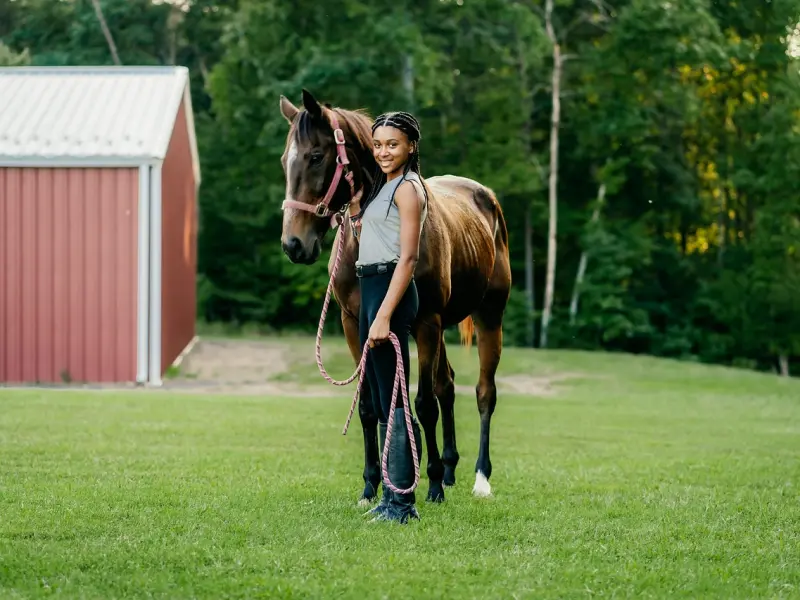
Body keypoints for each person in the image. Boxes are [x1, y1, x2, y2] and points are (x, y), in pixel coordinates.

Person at [348, 111, 428, 524]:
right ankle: (390, 497)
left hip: (389, 292)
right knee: (382, 399)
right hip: (371, 287)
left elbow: (409, 257)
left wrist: (383, 315)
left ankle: (403, 504)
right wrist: (357, 213)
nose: (383, 152)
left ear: (410, 147)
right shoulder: (386, 186)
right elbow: (375, 238)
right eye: (378, 144)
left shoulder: (409, 189)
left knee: (395, 399)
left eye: (392, 144)